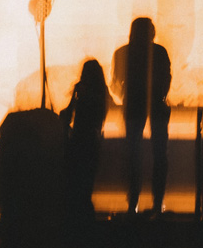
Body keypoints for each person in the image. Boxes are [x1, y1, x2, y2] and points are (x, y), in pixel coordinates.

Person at [111, 18, 173, 212]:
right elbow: (166, 78)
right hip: (157, 106)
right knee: (160, 155)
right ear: (152, 33)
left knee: (133, 154)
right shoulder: (160, 52)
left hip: (133, 106)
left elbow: (115, 82)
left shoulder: (122, 52)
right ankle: (158, 202)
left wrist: (126, 96)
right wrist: (160, 95)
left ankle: (133, 202)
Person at [65, 58, 110, 213]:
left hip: (81, 138)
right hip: (92, 139)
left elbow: (69, 114)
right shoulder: (102, 92)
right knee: (87, 180)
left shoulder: (84, 93)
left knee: (77, 178)